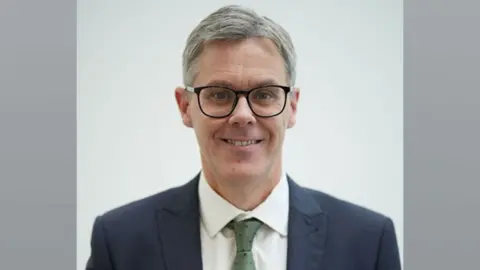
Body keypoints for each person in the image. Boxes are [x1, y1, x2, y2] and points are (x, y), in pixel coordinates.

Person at [85, 4, 401, 270]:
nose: (242, 115)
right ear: (185, 107)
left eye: (264, 94)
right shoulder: (119, 242)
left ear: (291, 107)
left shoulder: (368, 242)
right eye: (220, 94)